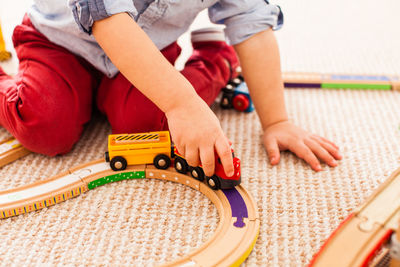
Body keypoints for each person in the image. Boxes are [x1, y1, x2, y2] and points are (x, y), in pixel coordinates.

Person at [0, 0, 341, 177]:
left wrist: (277, 121)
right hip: (59, 42)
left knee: (151, 126)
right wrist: (182, 104)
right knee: (43, 125)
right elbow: (107, 18)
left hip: (145, 51)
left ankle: (214, 57)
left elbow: (251, 22)